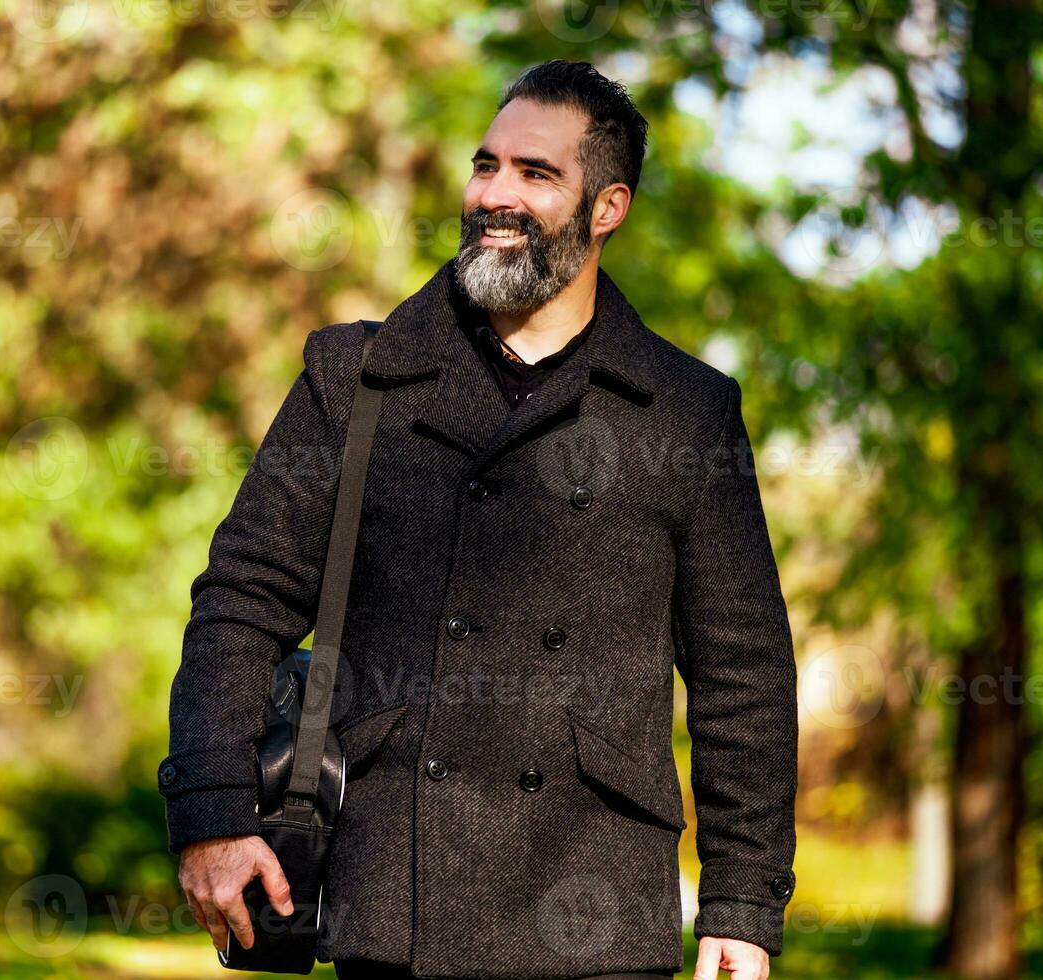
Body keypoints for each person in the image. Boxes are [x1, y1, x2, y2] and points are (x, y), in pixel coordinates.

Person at [159, 60, 798, 980]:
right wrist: (213, 812)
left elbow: (744, 673)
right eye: (485, 165)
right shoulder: (357, 379)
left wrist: (741, 904)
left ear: (606, 207)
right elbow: (242, 600)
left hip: (600, 914)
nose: (495, 194)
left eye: (536, 174)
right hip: (394, 902)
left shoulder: (685, 411)